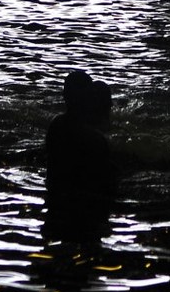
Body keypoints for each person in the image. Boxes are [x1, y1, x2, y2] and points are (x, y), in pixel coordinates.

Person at [44, 71, 116, 237]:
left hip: (56, 198)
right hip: (85, 205)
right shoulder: (95, 140)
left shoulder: (56, 125)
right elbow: (107, 183)